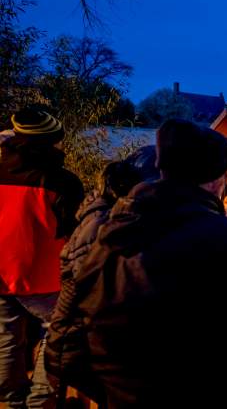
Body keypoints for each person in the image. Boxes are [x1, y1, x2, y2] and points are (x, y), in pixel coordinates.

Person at [50, 118, 227, 407]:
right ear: (212, 180)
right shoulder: (220, 237)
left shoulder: (112, 231)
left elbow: (76, 324)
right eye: (226, 175)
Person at [47, 146, 159, 402]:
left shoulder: (109, 216)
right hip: (81, 349)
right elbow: (110, 300)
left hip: (87, 343)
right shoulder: (108, 226)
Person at [0, 108, 85, 408]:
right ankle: (41, 398)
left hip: (2, 269)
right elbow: (71, 228)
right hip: (42, 272)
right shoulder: (63, 182)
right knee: (59, 329)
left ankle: (12, 400)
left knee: (8, 335)